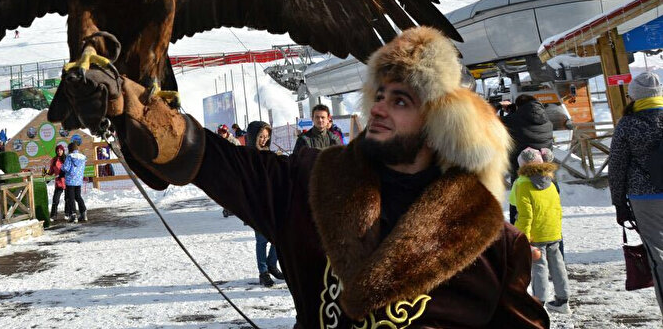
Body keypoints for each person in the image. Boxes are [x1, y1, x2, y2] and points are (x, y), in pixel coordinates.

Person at [72, 26, 549, 327]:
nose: (379, 107)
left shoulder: (491, 241)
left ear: (435, 120)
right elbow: (216, 162)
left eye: (400, 100)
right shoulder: (309, 184)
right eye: (379, 94)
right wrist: (131, 104)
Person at [609, 71, 663, 314]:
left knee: (658, 257)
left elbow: (617, 166)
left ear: (634, 96)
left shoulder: (628, 124)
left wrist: (620, 204)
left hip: (645, 199)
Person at [511, 147, 570, 314]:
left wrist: (523, 237)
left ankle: (539, 302)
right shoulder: (550, 183)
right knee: (558, 266)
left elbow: (525, 214)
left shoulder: (523, 185)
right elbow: (556, 208)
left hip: (536, 235)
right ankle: (563, 299)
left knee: (539, 268)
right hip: (553, 232)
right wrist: (557, 231)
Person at [503, 94, 554, 223]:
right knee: (547, 217)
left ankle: (522, 243)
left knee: (520, 217)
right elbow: (524, 122)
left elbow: (496, 123)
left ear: (518, 106)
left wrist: (509, 111)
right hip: (545, 175)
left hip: (522, 176)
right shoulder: (547, 121)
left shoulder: (512, 120)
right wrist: (515, 112)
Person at [245, 120, 283, 287]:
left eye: (266, 137)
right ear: (253, 136)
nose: (263, 140)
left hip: (273, 202)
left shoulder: (269, 154)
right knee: (262, 240)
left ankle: (271, 264)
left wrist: (279, 162)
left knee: (278, 237)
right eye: (260, 136)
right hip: (258, 205)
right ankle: (263, 272)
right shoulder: (247, 156)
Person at [63, 142, 88, 222]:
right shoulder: (83, 157)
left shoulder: (69, 157)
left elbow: (66, 168)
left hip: (70, 180)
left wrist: (61, 167)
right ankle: (83, 213)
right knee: (78, 196)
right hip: (78, 180)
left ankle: (74, 215)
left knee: (71, 198)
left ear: (70, 149)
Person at [48, 143, 67, 219]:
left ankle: (67, 214)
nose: (59, 151)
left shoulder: (66, 158)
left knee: (68, 199)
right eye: (58, 150)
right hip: (58, 182)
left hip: (67, 181)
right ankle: (53, 215)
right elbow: (51, 171)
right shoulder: (54, 160)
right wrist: (47, 172)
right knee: (55, 199)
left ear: (63, 150)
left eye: (60, 150)